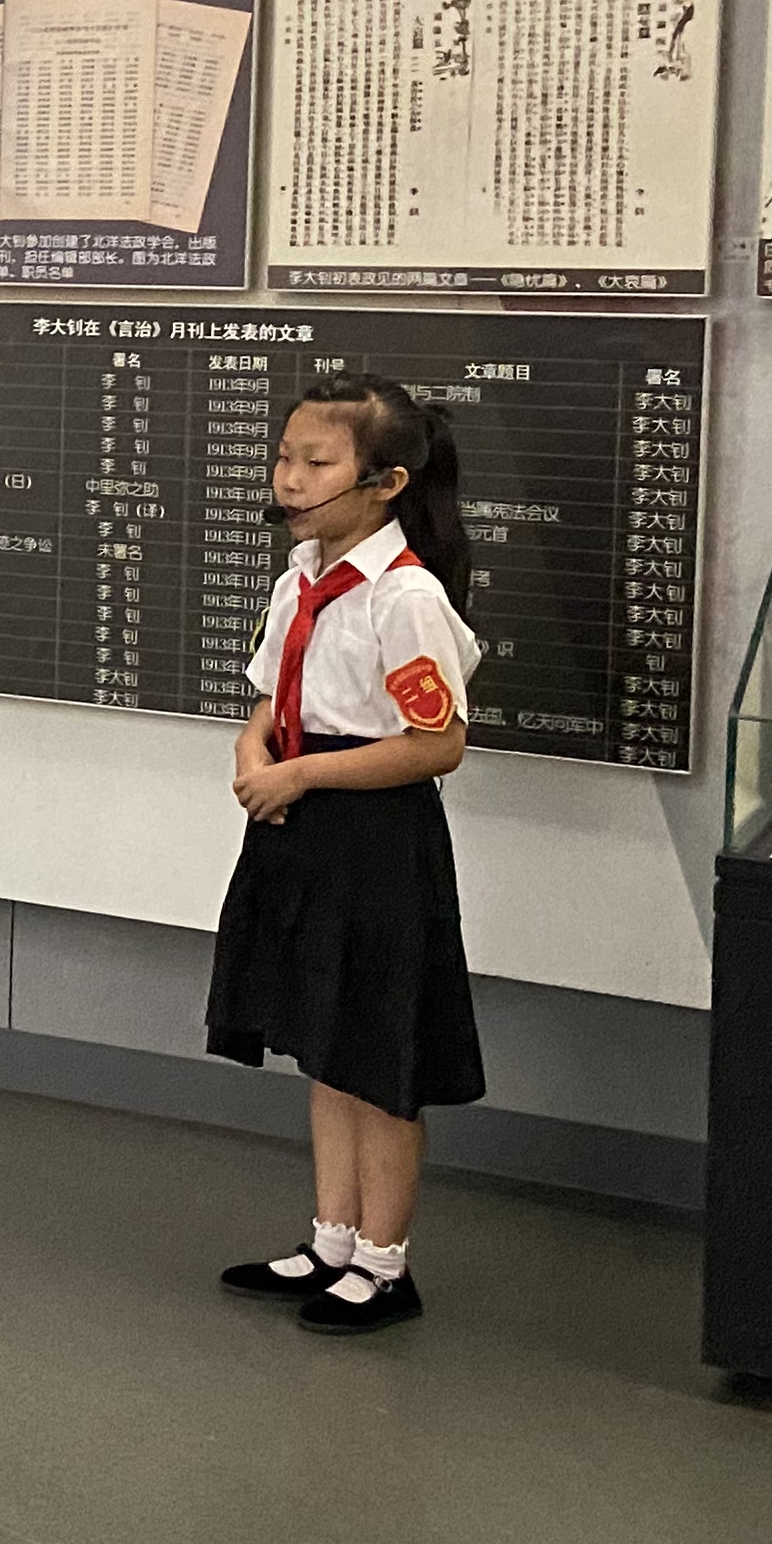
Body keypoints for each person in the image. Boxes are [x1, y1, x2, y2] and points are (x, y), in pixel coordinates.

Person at [209, 372, 483, 1336]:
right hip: (300, 826)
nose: (289, 479)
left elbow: (437, 744)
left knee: (378, 1052)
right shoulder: (301, 579)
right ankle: (331, 1241)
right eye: (285, 458)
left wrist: (300, 775)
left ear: (387, 482)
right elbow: (270, 697)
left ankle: (384, 1262)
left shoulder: (404, 597)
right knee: (324, 1041)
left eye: (317, 463)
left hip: (376, 838)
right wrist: (253, 751)